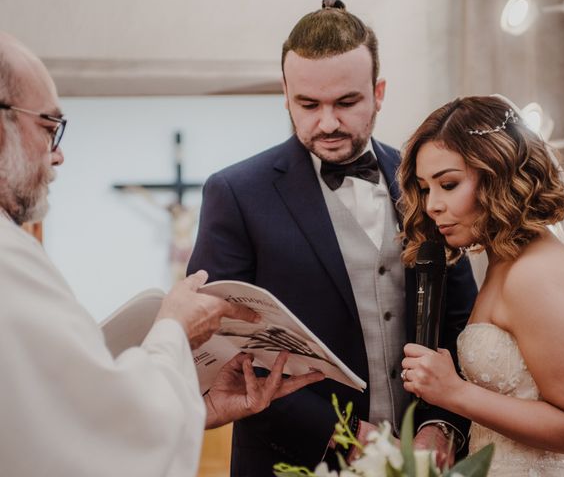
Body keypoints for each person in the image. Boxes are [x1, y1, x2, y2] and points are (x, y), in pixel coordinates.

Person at [0, 32, 323, 477]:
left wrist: (196, 408)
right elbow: (90, 438)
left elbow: (52, 422)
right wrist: (174, 326)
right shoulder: (9, 260)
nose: (57, 156)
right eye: (48, 127)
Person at [187, 0, 478, 474]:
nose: (327, 123)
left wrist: (442, 426)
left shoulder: (426, 180)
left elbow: (462, 324)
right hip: (292, 460)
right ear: (285, 93)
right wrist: (341, 436)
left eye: (346, 102)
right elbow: (221, 348)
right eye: (308, 104)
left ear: (378, 92)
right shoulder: (236, 193)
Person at [398, 94, 564, 476]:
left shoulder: (534, 273)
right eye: (426, 188)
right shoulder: (505, 260)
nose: (431, 205)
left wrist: (456, 393)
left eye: (448, 184)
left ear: (497, 173)